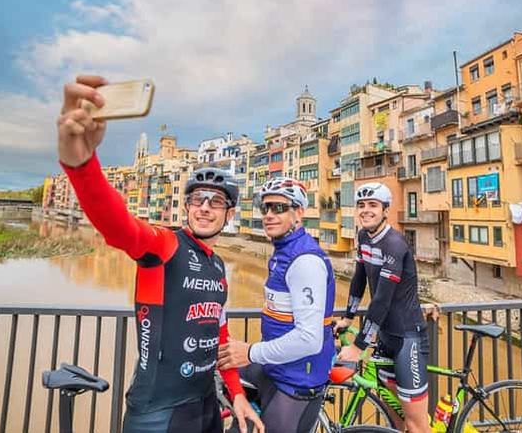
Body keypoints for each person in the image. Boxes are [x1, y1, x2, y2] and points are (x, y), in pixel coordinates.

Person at [57, 75, 263, 433]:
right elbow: (119, 226)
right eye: (197, 199)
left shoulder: (219, 268)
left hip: (206, 405)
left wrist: (237, 393)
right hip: (158, 412)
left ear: (230, 215)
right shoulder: (165, 245)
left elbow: (221, 337)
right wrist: (81, 165)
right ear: (186, 207)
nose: (204, 208)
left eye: (216, 202)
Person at [218, 177, 336, 433]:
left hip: (295, 381)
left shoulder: (304, 260)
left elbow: (309, 339)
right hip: (278, 369)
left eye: (279, 208)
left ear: (299, 213)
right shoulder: (283, 252)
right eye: (266, 208)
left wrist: (249, 352)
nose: (269, 215)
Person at [335, 182, 431, 433]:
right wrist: (347, 318)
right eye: (361, 205)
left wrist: (358, 346)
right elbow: (359, 279)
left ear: (385, 210)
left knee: (417, 424)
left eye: (373, 205)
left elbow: (382, 300)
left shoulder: (394, 244)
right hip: (386, 337)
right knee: (397, 419)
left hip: (407, 336)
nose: (366, 210)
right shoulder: (363, 236)